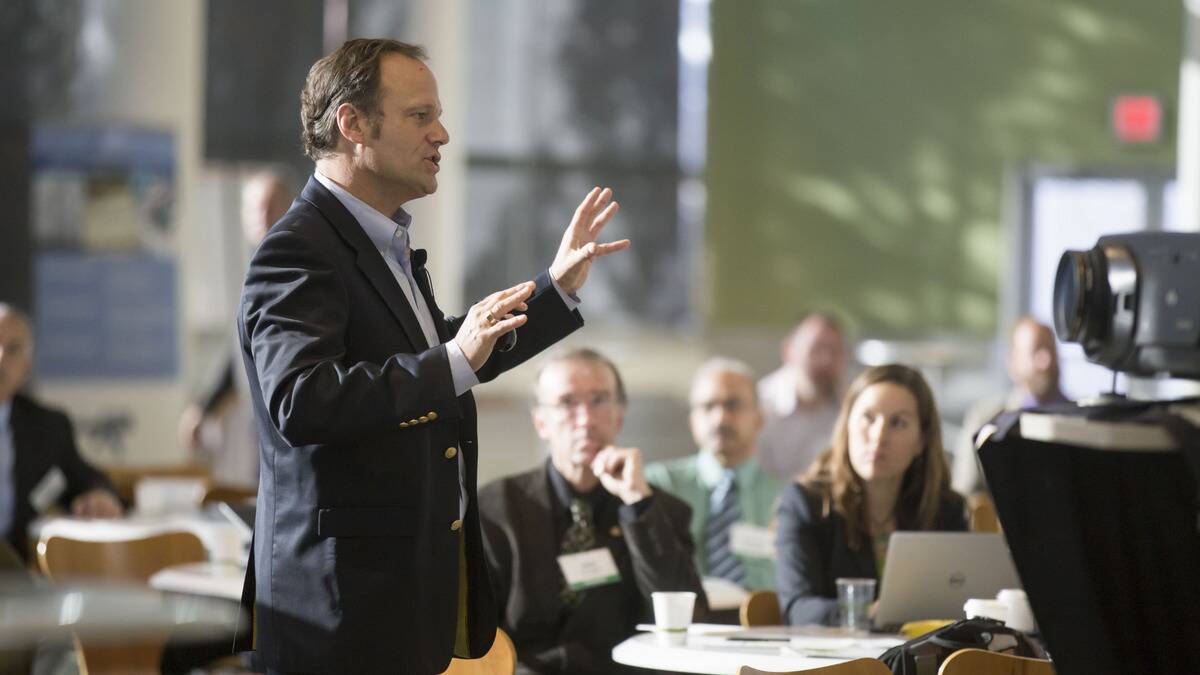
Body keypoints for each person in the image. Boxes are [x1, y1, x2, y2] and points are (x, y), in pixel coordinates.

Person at [236, 39, 629, 674]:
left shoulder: (382, 241)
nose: (442, 134)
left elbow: (446, 357)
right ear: (353, 123)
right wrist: (451, 360)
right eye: (420, 116)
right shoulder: (299, 248)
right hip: (337, 617)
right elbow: (301, 399)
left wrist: (554, 291)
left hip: (398, 605)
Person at [479, 349, 705, 675]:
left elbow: (689, 616)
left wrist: (638, 506)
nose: (585, 419)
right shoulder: (496, 508)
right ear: (541, 421)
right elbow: (475, 634)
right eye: (567, 403)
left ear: (619, 415)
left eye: (599, 400)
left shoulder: (661, 511)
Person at [775, 364, 966, 626]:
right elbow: (798, 609)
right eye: (868, 418)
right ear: (846, 426)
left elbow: (962, 604)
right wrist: (869, 613)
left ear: (921, 441)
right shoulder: (805, 503)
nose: (878, 437)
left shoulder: (946, 509)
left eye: (898, 423)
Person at [178, 170, 295, 488]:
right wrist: (203, 407)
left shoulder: (299, 266)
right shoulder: (255, 269)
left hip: (291, 418)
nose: (263, 216)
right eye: (255, 208)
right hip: (255, 426)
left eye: (271, 206)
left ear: (289, 207)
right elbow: (238, 350)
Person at [646, 357, 784, 591]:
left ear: (759, 419)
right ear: (692, 421)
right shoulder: (660, 484)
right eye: (708, 406)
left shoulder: (786, 496)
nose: (720, 418)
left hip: (765, 623)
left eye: (733, 405)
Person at [0, 304, 122, 560]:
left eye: (12, 349)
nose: (1, 357)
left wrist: (99, 496)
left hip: (17, 574)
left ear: (26, 365)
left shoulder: (47, 426)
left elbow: (85, 479)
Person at [951, 316, 1069, 496]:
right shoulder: (986, 418)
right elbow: (964, 493)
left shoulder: (1082, 422)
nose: (1046, 361)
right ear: (1013, 362)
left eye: (1050, 349)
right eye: (1036, 350)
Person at [757, 313, 849, 481]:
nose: (826, 360)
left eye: (835, 351)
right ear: (788, 351)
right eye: (816, 348)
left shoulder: (852, 406)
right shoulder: (759, 403)